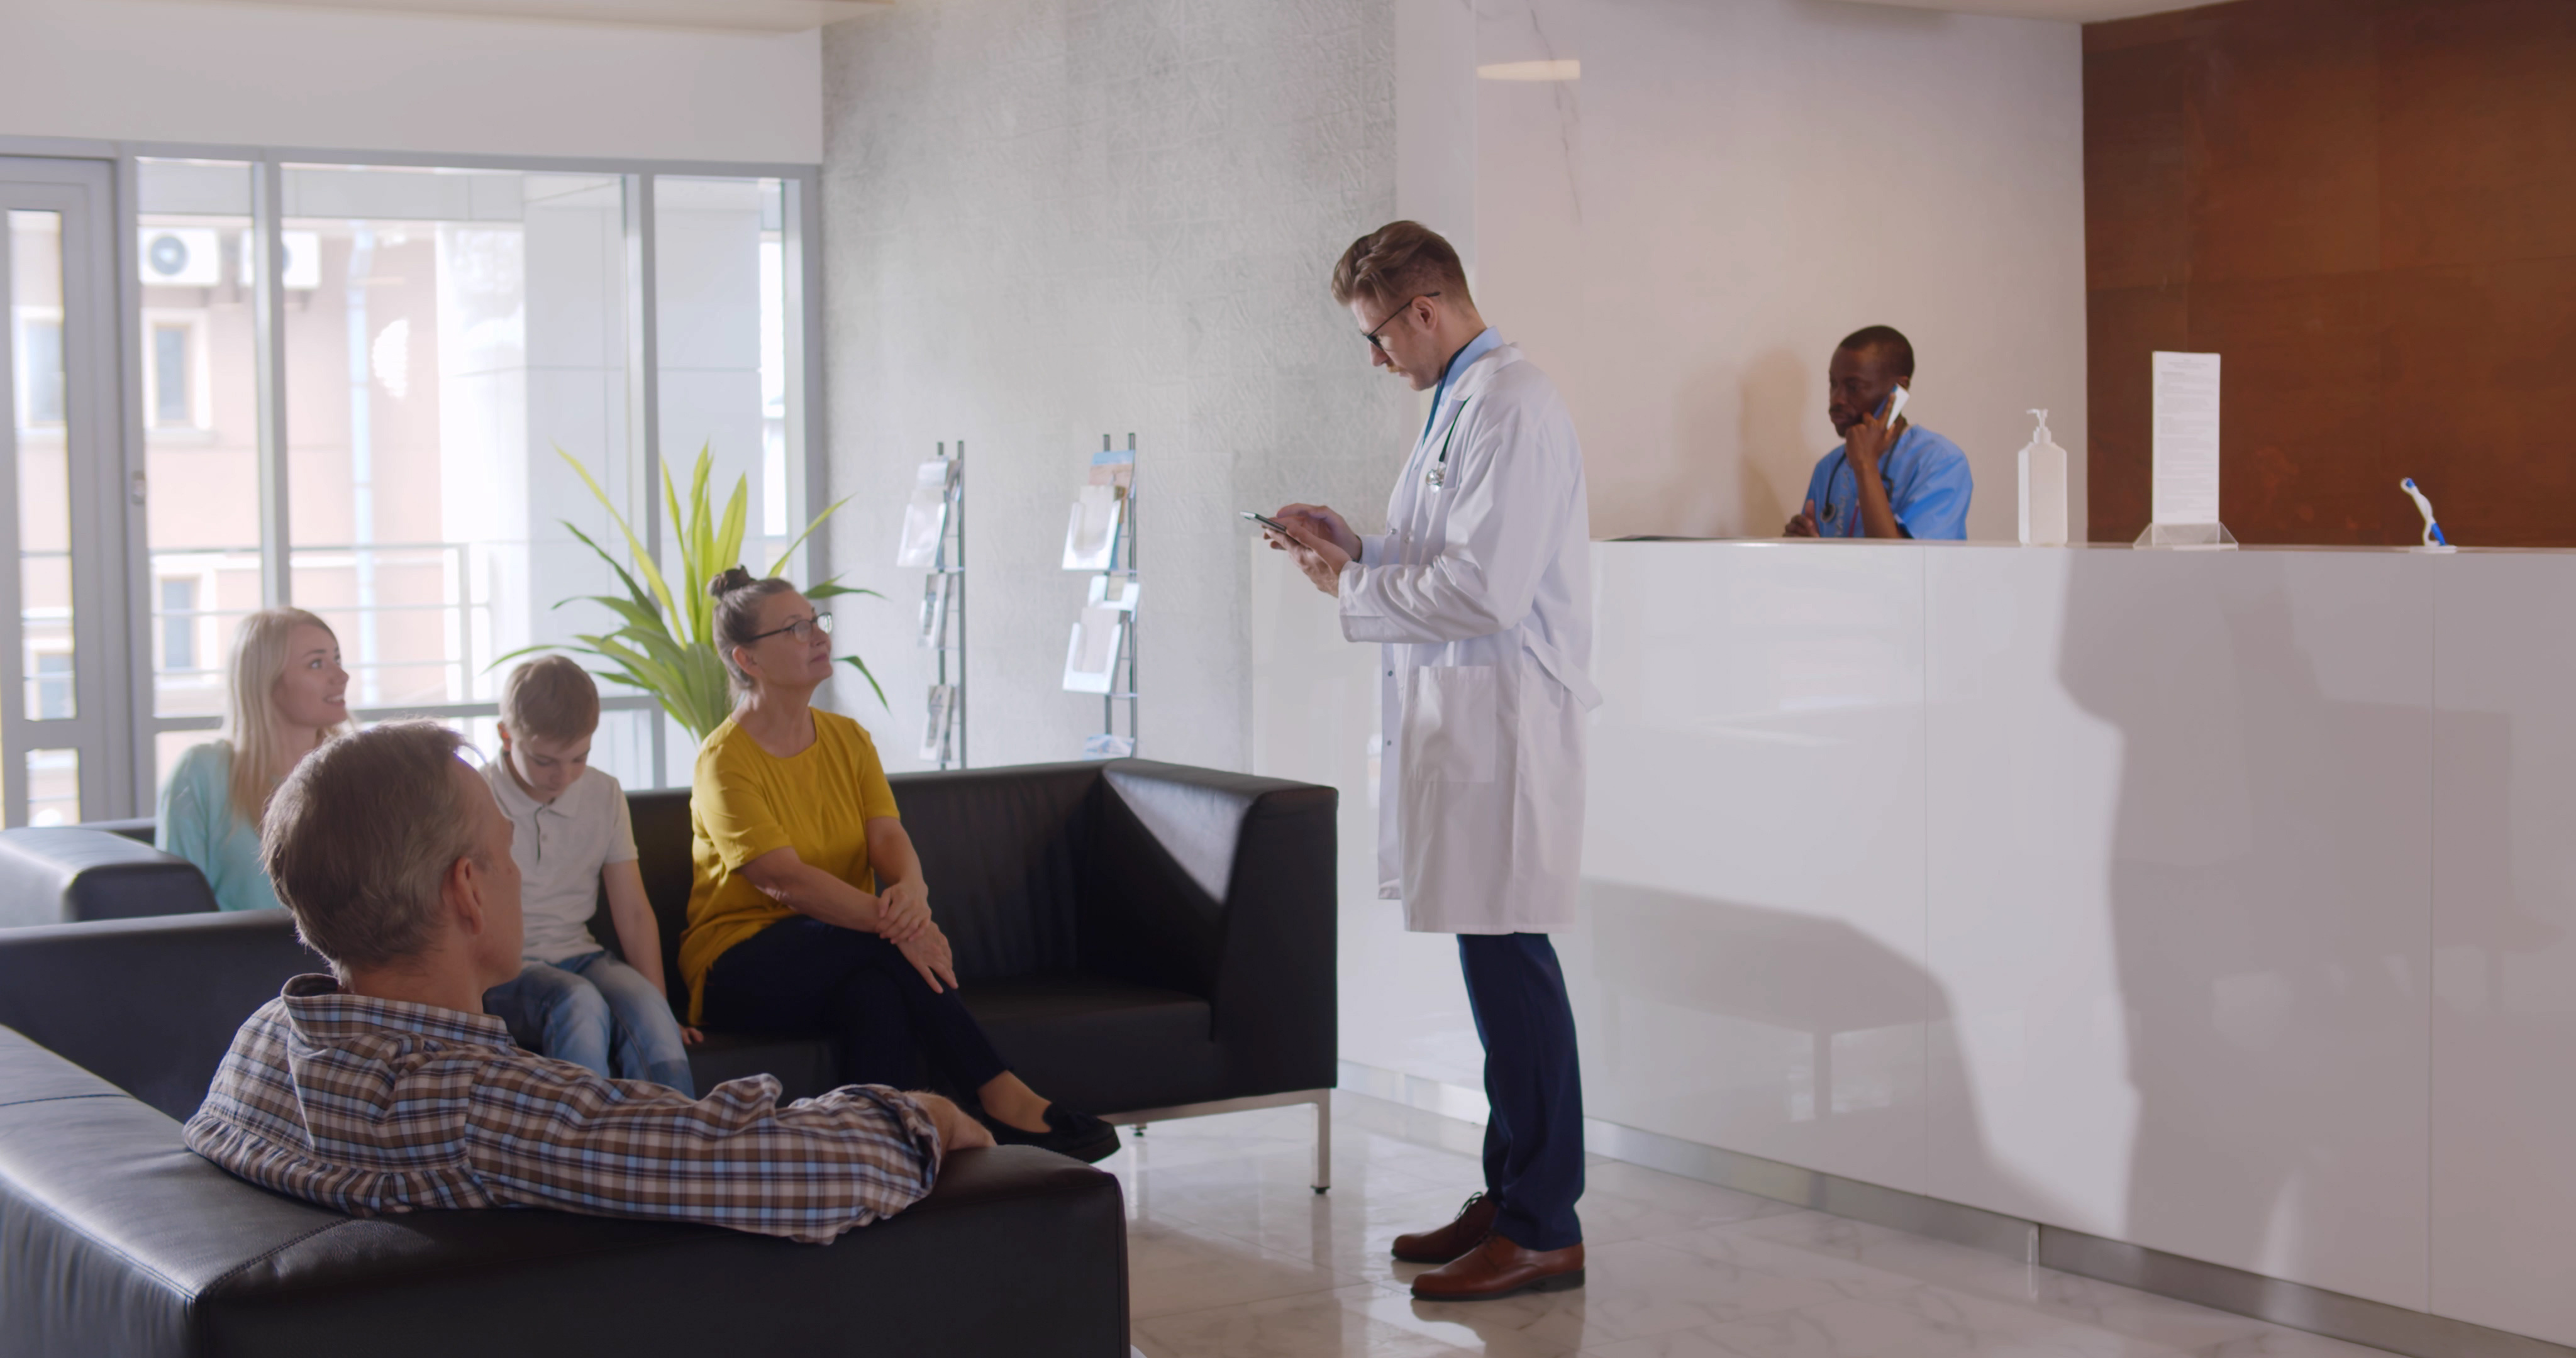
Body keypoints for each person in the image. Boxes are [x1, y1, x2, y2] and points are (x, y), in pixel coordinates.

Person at [184, 720, 996, 1242]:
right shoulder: (486, 1110)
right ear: (468, 891)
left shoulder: (257, 1047)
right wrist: (921, 1111)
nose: (516, 880)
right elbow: (811, 1173)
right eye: (504, 858)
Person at [1265, 221, 1598, 1301]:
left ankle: (1546, 1221)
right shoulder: (1461, 402)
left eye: (1374, 337)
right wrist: (1358, 547)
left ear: (1423, 310)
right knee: (1492, 971)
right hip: (1468, 725)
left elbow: (1489, 592)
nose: (1375, 360)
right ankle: (1509, 1193)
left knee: (1516, 976)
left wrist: (1352, 592)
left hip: (1505, 727)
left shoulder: (1513, 403)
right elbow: (1450, 553)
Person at [680, 567, 1119, 1164]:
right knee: (881, 955)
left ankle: (881, 1149)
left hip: (846, 942)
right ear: (747, 659)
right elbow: (783, 880)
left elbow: (888, 836)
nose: (818, 636)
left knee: (874, 992)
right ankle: (1001, 1094)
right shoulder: (723, 761)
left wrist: (913, 894)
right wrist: (901, 928)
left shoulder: (847, 739)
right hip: (737, 963)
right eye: (795, 629)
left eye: (815, 622)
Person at [479, 656, 701, 1095]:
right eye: (545, 761)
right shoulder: (476, 797)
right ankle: (583, 1153)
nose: (563, 776)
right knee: (578, 1002)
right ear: (506, 735)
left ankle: (678, 1148)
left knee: (649, 1011)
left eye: (579, 757)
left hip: (580, 955)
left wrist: (661, 1006)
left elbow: (634, 911)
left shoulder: (604, 793)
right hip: (505, 967)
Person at [157, 607, 352, 912]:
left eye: (336, 659)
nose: (341, 676)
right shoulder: (201, 772)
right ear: (267, 681)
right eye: (316, 664)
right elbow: (175, 908)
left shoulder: (358, 771)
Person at [1781, 325, 1973, 540]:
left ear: (1898, 389)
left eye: (1853, 387)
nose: (1837, 399)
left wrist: (1865, 465)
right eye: (1833, 384)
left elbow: (1905, 566)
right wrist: (1806, 550)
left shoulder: (1941, 462)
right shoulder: (1829, 467)